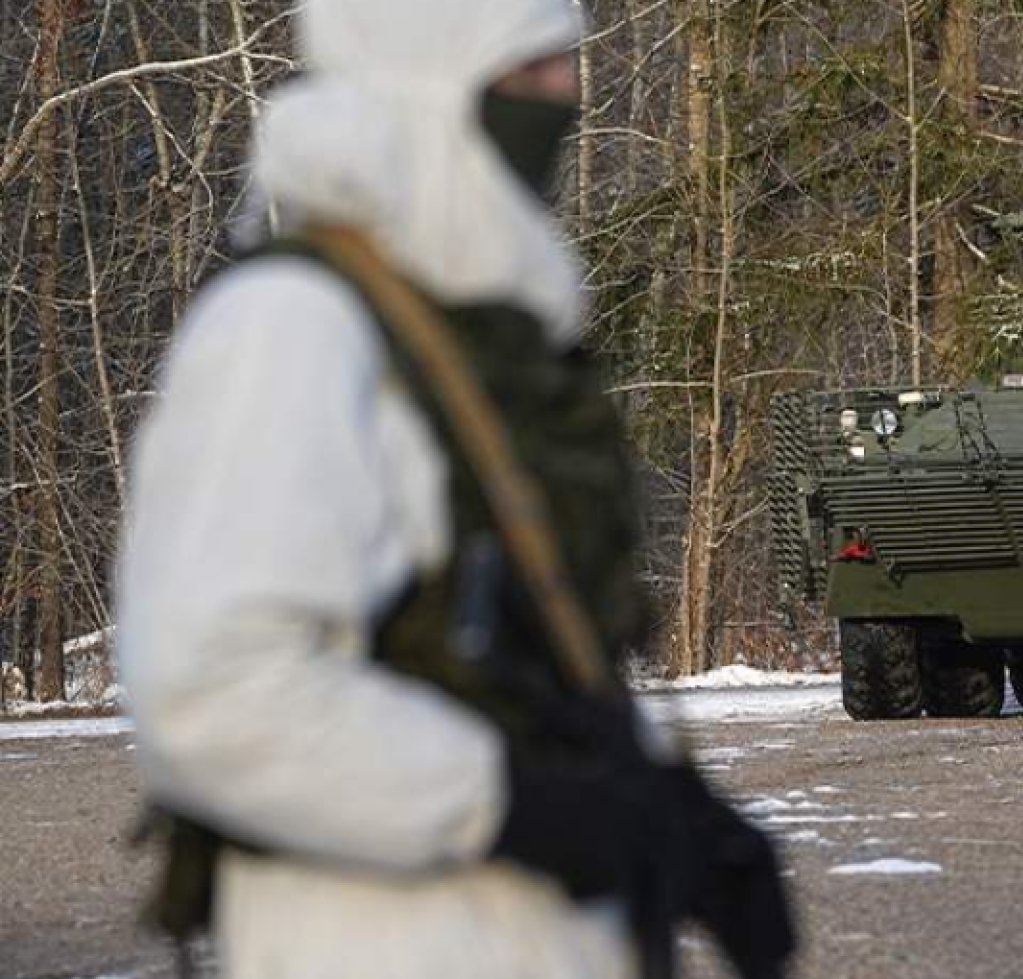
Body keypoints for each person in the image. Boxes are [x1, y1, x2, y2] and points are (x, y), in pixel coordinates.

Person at [114, 1, 793, 978]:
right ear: (425, 80)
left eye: (565, 63)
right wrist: (512, 805)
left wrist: (676, 816)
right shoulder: (293, 329)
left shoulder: (470, 337)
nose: (569, 95)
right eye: (531, 71)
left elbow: (508, 645)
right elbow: (214, 693)